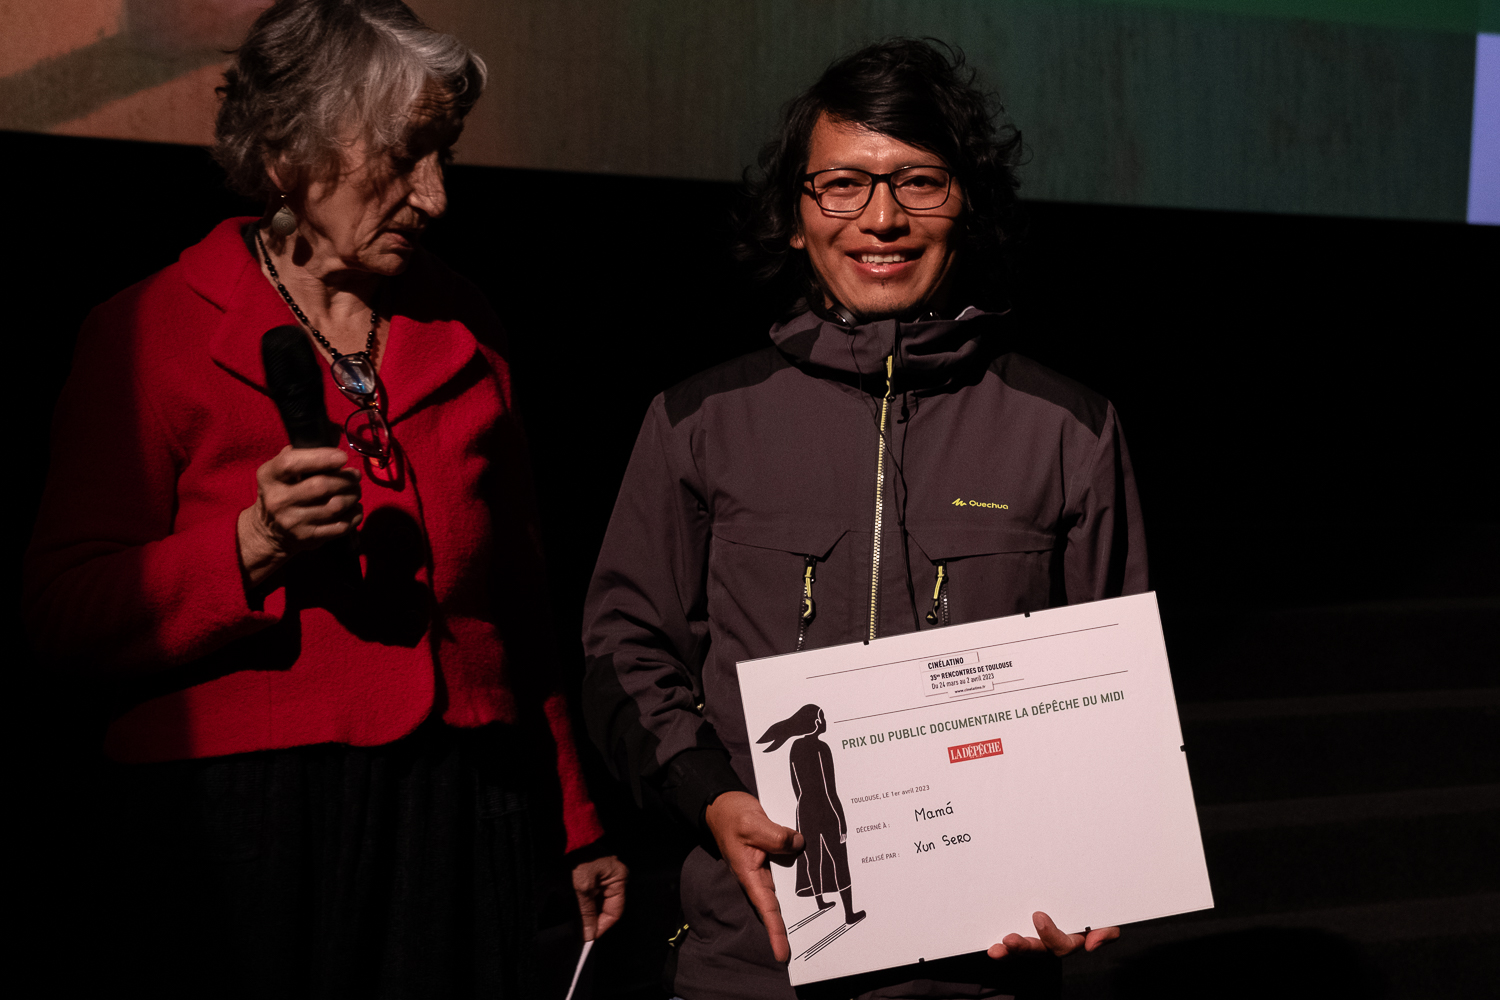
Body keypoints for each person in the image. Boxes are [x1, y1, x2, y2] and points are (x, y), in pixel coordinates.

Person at [23, 2, 624, 996]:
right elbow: (62, 614)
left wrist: (573, 819)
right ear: (286, 149)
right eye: (405, 155)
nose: (435, 196)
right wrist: (250, 545)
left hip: (459, 811)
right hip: (241, 829)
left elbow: (520, 607)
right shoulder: (150, 331)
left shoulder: (466, 324)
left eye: (445, 155)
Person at [582, 39, 1143, 999]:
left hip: (980, 966)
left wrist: (1095, 867)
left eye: (920, 182)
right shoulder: (699, 421)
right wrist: (708, 795)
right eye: (842, 185)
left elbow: (1115, 697)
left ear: (968, 207)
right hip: (756, 962)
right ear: (796, 219)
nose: (882, 218)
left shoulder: (1069, 431)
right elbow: (623, 650)